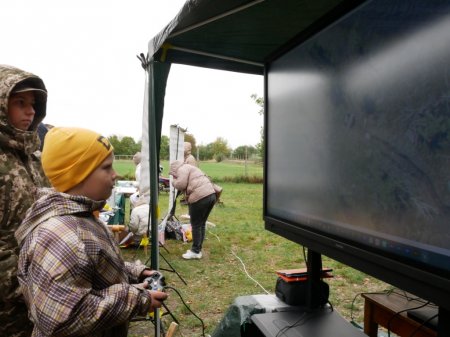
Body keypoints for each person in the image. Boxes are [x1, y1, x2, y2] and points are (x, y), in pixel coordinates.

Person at [15, 127, 167, 337]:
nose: (115, 175)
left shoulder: (82, 217)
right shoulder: (60, 236)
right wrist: (137, 298)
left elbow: (90, 262)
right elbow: (64, 318)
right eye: (106, 167)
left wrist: (133, 273)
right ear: (78, 174)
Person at [0, 64, 50, 337]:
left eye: (33, 104)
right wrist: (18, 282)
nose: (30, 111)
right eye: (19, 102)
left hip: (37, 284)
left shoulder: (31, 156)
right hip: (6, 297)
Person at [170, 160, 217, 259]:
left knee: (195, 224)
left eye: (173, 174)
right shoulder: (190, 167)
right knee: (201, 223)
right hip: (211, 195)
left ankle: (195, 251)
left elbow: (180, 184)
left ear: (174, 169)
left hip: (200, 197)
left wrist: (173, 182)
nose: (174, 176)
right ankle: (198, 248)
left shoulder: (181, 169)